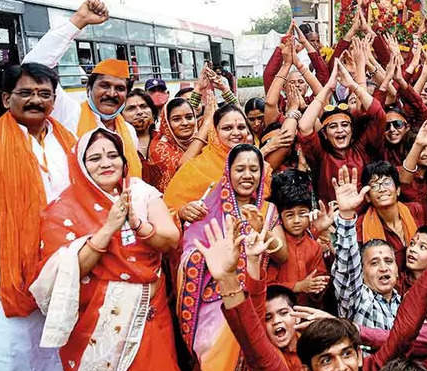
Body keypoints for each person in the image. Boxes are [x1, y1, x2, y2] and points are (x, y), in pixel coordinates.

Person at [199, 198, 427, 371]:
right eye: (326, 360)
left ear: (358, 356)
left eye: (346, 354)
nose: (341, 368)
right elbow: (255, 349)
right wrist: (228, 279)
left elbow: (404, 331)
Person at [31, 128, 182, 371]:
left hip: (147, 314)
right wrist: (109, 227)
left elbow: (171, 240)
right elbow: (66, 273)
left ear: (124, 161)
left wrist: (137, 223)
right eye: (95, 158)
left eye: (113, 155)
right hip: (94, 324)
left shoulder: (140, 192)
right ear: (80, 165)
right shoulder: (62, 209)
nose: (106, 163)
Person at [0, 63, 76, 371]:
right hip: (1, 268)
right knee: (8, 357)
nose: (35, 100)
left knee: (54, 354)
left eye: (44, 94)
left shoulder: (70, 142)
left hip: (60, 267)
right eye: (25, 93)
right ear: (7, 99)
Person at [175, 143, 287, 371]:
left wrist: (262, 230)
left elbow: (283, 254)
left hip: (254, 302)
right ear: (228, 172)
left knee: (255, 367)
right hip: (213, 309)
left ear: (261, 174)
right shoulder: (207, 208)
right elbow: (188, 256)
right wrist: (216, 262)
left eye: (253, 169)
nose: (247, 175)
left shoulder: (267, 210)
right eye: (240, 169)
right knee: (215, 368)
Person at [22, 0, 143, 178]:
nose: (111, 93)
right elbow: (32, 69)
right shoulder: (69, 113)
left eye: (119, 88)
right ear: (89, 87)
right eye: (104, 85)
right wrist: (79, 20)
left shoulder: (129, 131)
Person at [330, 167, 427, 330]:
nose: (383, 268)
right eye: (374, 263)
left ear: (397, 269)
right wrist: (346, 216)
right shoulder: (359, 300)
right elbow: (347, 272)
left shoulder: (404, 303)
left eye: (389, 261)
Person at [165, 103, 282, 219]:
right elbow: (168, 210)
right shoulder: (195, 168)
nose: (236, 133)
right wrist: (183, 212)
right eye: (228, 128)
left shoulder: (260, 167)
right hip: (208, 235)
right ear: (215, 132)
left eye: (241, 127)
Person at [298, 59, 386, 205]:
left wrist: (352, 85)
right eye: (333, 126)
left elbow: (379, 115)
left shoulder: (362, 149)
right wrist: (328, 88)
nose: (340, 130)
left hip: (365, 220)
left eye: (345, 125)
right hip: (332, 223)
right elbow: (304, 127)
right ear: (324, 134)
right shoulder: (320, 155)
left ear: (352, 129)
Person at [266, 169, 333, 306]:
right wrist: (299, 286)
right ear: (280, 217)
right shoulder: (277, 246)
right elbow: (268, 286)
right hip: (278, 311)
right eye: (290, 215)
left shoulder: (314, 246)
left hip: (305, 309)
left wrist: (317, 286)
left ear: (310, 213)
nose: (296, 220)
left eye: (302, 214)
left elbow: (320, 277)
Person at [146, 96, 211, 192]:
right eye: (176, 119)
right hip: (173, 202)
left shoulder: (204, 137)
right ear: (166, 122)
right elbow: (183, 169)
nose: (185, 123)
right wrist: (207, 123)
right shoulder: (159, 147)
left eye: (189, 117)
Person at [123, 88, 156, 159]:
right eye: (131, 108)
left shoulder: (165, 139)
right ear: (121, 116)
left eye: (143, 106)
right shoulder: (118, 143)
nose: (139, 112)